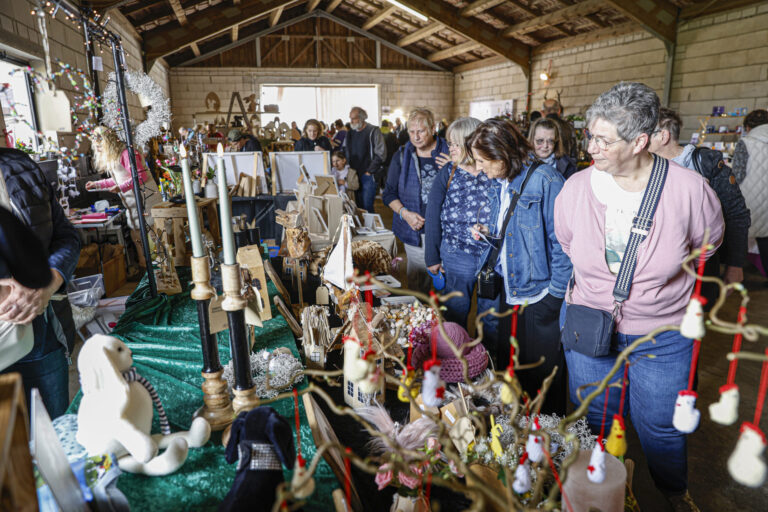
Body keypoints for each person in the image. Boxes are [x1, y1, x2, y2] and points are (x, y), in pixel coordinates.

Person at [554, 82, 724, 510]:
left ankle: (671, 492)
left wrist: (656, 286)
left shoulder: (688, 189)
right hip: (590, 324)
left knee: (661, 427)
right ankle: (604, 494)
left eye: (603, 139)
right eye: (590, 136)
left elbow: (707, 243)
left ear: (640, 141)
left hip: (663, 332)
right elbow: (569, 241)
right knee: (595, 417)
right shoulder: (576, 188)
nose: (591, 146)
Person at [468, 118, 569, 415]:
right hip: (512, 290)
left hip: (540, 295)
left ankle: (547, 438)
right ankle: (521, 432)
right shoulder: (502, 181)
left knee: (543, 376)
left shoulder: (547, 181)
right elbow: (516, 231)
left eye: (483, 161)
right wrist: (489, 232)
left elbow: (564, 245)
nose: (479, 168)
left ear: (504, 152)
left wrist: (554, 296)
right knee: (518, 369)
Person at [0, 147, 81, 419]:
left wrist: (48, 282)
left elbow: (66, 237)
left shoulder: (19, 166)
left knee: (54, 438)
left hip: (41, 332)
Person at [649, 108, 750, 302]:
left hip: (700, 265)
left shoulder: (706, 164)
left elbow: (736, 214)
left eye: (645, 133)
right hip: (653, 269)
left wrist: (735, 265)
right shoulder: (642, 166)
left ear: (663, 136)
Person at [424, 117, 489, 325]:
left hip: (492, 256)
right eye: (449, 143)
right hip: (457, 253)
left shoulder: (493, 170)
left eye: (455, 143)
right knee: (454, 313)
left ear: (471, 143)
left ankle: (487, 356)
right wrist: (432, 257)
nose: (450, 148)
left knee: (491, 318)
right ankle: (453, 355)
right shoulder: (448, 172)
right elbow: (432, 215)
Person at [384, 108, 448, 292]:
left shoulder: (451, 152)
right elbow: (389, 193)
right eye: (412, 132)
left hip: (448, 236)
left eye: (421, 131)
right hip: (416, 233)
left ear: (433, 128)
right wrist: (405, 213)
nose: (416, 137)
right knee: (418, 288)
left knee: (448, 292)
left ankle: (445, 322)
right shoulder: (403, 156)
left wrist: (456, 167)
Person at [86, 126, 162, 269]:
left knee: (154, 232)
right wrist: (96, 184)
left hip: (147, 198)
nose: (98, 149)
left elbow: (140, 176)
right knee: (135, 233)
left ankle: (161, 264)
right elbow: (118, 180)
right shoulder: (113, 157)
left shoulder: (127, 153)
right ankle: (144, 265)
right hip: (132, 203)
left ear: (108, 142)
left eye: (100, 146)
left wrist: (121, 188)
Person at [731, 109, 768, 278]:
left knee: (741, 234)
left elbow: (737, 174)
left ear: (748, 126)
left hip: (751, 198)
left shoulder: (746, 142)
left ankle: (735, 272)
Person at [342, 106, 386, 213]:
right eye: (350, 118)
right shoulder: (350, 133)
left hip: (368, 176)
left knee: (367, 207)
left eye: (354, 118)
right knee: (356, 206)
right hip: (353, 175)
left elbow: (381, 153)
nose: (351, 121)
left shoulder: (373, 131)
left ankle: (370, 229)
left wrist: (369, 171)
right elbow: (344, 149)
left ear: (361, 118)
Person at [380, 120, 399, 185]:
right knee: (388, 174)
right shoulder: (392, 135)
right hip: (389, 158)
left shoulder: (378, 134)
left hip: (379, 158)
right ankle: (387, 187)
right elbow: (397, 147)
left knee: (379, 174)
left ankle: (380, 189)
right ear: (388, 126)